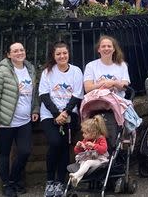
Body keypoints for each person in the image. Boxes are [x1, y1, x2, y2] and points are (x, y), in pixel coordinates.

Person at [0, 42, 39, 197]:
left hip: (25, 122)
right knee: (4, 154)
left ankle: (14, 179)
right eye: (15, 51)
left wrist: (35, 109)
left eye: (21, 50)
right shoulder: (2, 72)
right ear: (9, 55)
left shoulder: (30, 69)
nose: (19, 53)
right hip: (6, 122)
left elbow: (33, 93)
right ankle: (6, 185)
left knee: (25, 151)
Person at [39, 41, 84, 197]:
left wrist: (65, 112)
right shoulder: (47, 72)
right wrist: (56, 114)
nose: (62, 56)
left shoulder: (76, 71)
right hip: (49, 115)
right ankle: (50, 181)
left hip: (69, 114)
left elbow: (77, 95)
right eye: (58, 54)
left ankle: (60, 182)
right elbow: (44, 95)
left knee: (65, 147)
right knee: (55, 142)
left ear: (68, 54)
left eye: (64, 53)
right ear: (53, 55)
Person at [67, 115, 109, 189]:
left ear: (93, 133)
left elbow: (103, 149)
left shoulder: (101, 138)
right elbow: (77, 152)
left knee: (88, 162)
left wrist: (93, 145)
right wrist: (78, 146)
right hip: (88, 158)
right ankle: (76, 179)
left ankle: (76, 175)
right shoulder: (86, 140)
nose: (83, 135)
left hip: (99, 160)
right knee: (83, 163)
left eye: (85, 133)